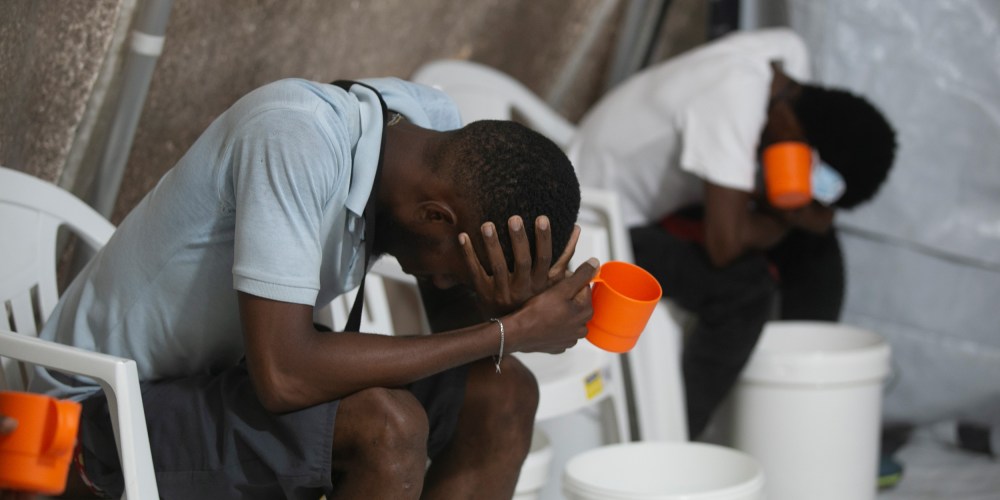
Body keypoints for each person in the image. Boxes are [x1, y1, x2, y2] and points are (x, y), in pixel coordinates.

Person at [31, 77, 594, 499]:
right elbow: (283, 377)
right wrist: (507, 330)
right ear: (436, 216)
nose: (446, 281)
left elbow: (452, 334)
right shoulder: (294, 139)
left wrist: (497, 311)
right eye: (459, 268)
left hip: (216, 386)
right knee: (388, 429)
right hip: (91, 420)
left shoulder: (431, 130)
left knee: (503, 393)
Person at [567, 28, 898, 440]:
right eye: (811, 178)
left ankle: (809, 411)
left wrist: (804, 215)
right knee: (744, 290)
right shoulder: (733, 102)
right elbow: (724, 247)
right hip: (597, 220)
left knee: (818, 249)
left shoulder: (786, 62)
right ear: (797, 138)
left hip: (661, 200)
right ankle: (674, 443)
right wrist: (790, 216)